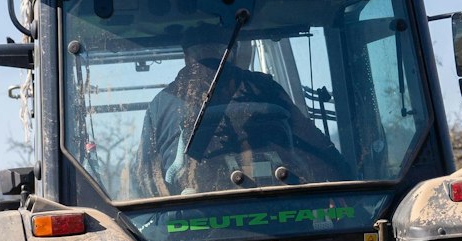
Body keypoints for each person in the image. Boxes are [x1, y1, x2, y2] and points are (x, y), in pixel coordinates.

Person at [134, 25, 352, 197]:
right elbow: (321, 154)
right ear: (233, 52)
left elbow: (145, 177)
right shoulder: (267, 89)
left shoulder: (161, 104)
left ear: (186, 56)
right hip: (285, 211)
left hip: (190, 226)